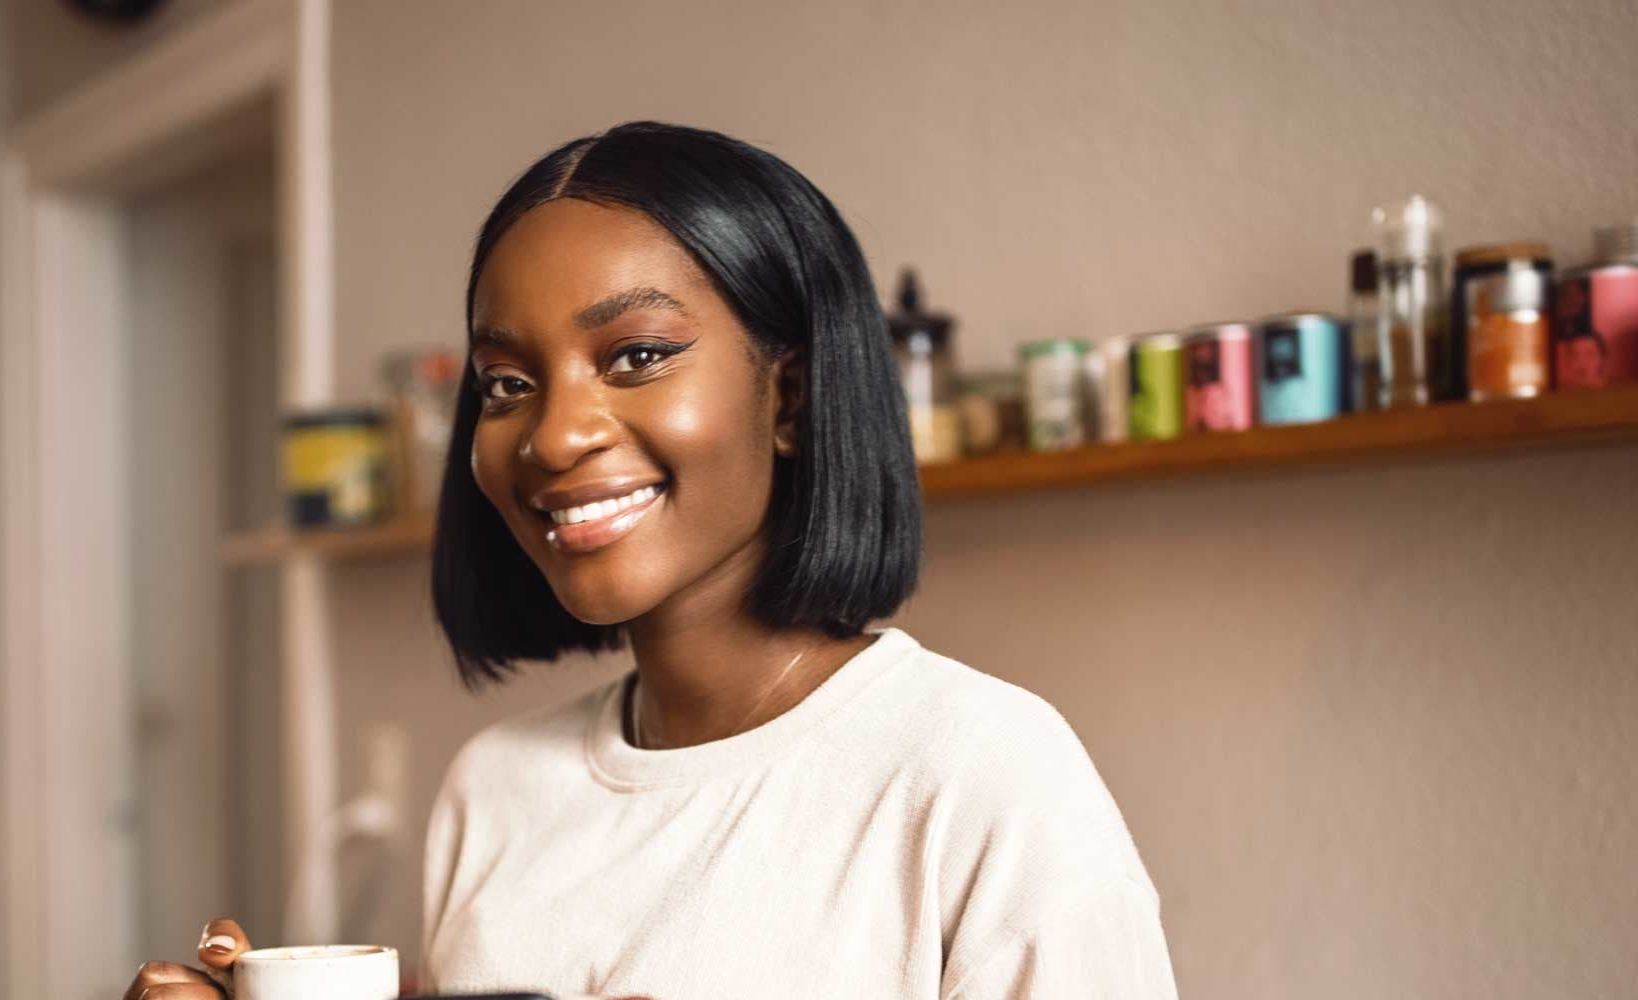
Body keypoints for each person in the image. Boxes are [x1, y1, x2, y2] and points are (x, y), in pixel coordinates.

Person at [125, 122, 1177, 1000]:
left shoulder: (978, 770)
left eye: (635, 356)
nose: (549, 436)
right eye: (504, 383)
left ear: (791, 399)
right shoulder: (490, 791)